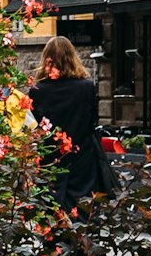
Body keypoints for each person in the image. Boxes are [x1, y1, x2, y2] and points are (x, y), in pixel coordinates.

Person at [28, 37, 106, 206]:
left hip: (51, 158)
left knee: (51, 210)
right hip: (82, 157)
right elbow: (91, 119)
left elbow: (36, 125)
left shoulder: (37, 91)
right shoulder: (86, 87)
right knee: (82, 210)